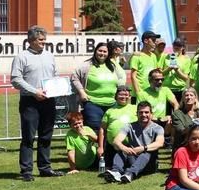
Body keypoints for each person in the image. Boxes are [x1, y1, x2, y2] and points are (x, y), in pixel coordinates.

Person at [10, 26, 64, 180]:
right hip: (30, 102)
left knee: (46, 136)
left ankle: (45, 168)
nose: (44, 42)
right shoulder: (21, 57)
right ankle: (26, 171)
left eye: (44, 39)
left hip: (48, 101)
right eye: (40, 40)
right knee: (28, 137)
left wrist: (56, 87)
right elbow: (15, 79)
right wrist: (35, 91)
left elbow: (55, 75)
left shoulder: (49, 55)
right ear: (31, 40)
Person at [71, 42, 125, 131]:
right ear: (95, 51)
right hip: (93, 104)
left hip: (112, 103)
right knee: (95, 129)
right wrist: (81, 92)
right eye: (100, 51)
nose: (102, 53)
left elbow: (121, 78)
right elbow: (74, 77)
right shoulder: (87, 65)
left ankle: (107, 145)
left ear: (108, 53)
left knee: (113, 129)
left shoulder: (112, 65)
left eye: (105, 51)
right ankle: (97, 145)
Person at [106, 102, 165, 183]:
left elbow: (159, 143)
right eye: (141, 112)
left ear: (151, 114)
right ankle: (116, 172)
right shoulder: (129, 126)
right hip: (133, 157)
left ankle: (130, 174)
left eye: (146, 112)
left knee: (147, 152)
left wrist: (143, 148)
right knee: (122, 149)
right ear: (136, 114)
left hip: (149, 163)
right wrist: (125, 148)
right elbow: (116, 141)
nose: (144, 115)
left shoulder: (158, 128)